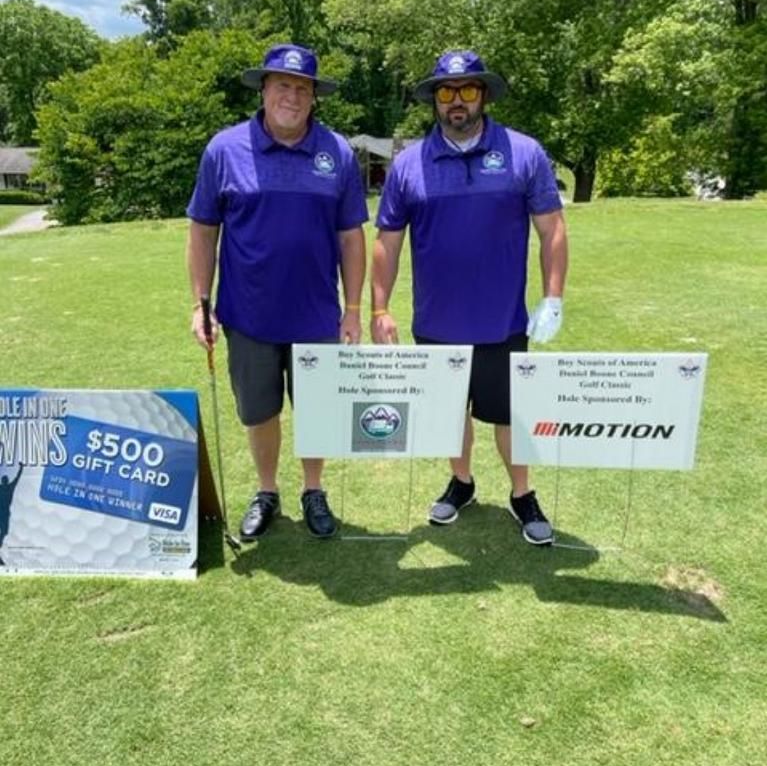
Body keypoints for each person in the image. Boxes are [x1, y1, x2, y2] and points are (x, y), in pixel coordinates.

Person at [371, 50, 568, 544]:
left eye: (467, 90)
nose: (456, 101)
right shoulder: (408, 164)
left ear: (483, 94)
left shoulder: (524, 152)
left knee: (507, 417)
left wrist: (554, 297)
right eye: (445, 92)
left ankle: (522, 493)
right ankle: (462, 483)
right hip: (436, 323)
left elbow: (553, 229)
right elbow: (386, 244)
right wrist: (378, 307)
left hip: (502, 322)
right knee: (450, 416)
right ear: (435, 100)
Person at [187, 43, 368, 540]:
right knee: (259, 411)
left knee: (316, 413)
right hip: (248, 317)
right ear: (264, 90)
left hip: (316, 317)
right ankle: (267, 490)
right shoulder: (224, 149)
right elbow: (203, 230)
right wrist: (200, 304)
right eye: (283, 85)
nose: (292, 95)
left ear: (314, 98)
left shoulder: (338, 153)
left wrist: (353, 309)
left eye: (303, 88)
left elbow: (351, 237)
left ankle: (314, 489)